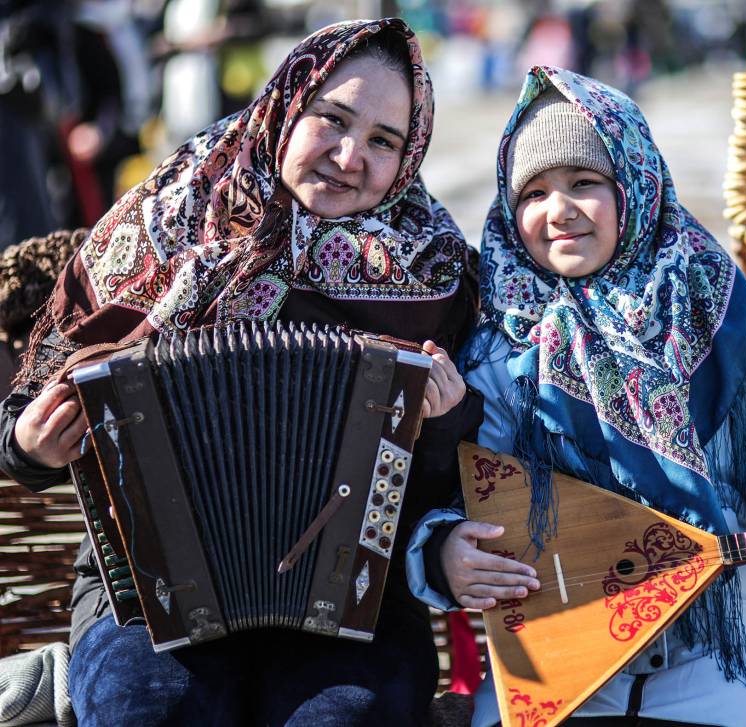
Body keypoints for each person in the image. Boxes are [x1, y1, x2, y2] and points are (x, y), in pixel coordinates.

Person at [0, 18, 480, 727]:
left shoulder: (435, 276)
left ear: (409, 156)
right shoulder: (166, 221)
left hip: (354, 603)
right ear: (287, 107)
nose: (350, 156)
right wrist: (32, 447)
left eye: (384, 140)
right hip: (145, 591)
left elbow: (457, 480)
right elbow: (21, 423)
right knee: (153, 710)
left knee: (347, 718)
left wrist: (443, 422)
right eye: (333, 119)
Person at [406, 68, 746, 726]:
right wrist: (448, 550)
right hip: (562, 647)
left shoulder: (717, 305)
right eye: (535, 191)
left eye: (584, 183)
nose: (558, 209)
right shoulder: (498, 335)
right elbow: (468, 488)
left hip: (723, 647)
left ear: (634, 184)